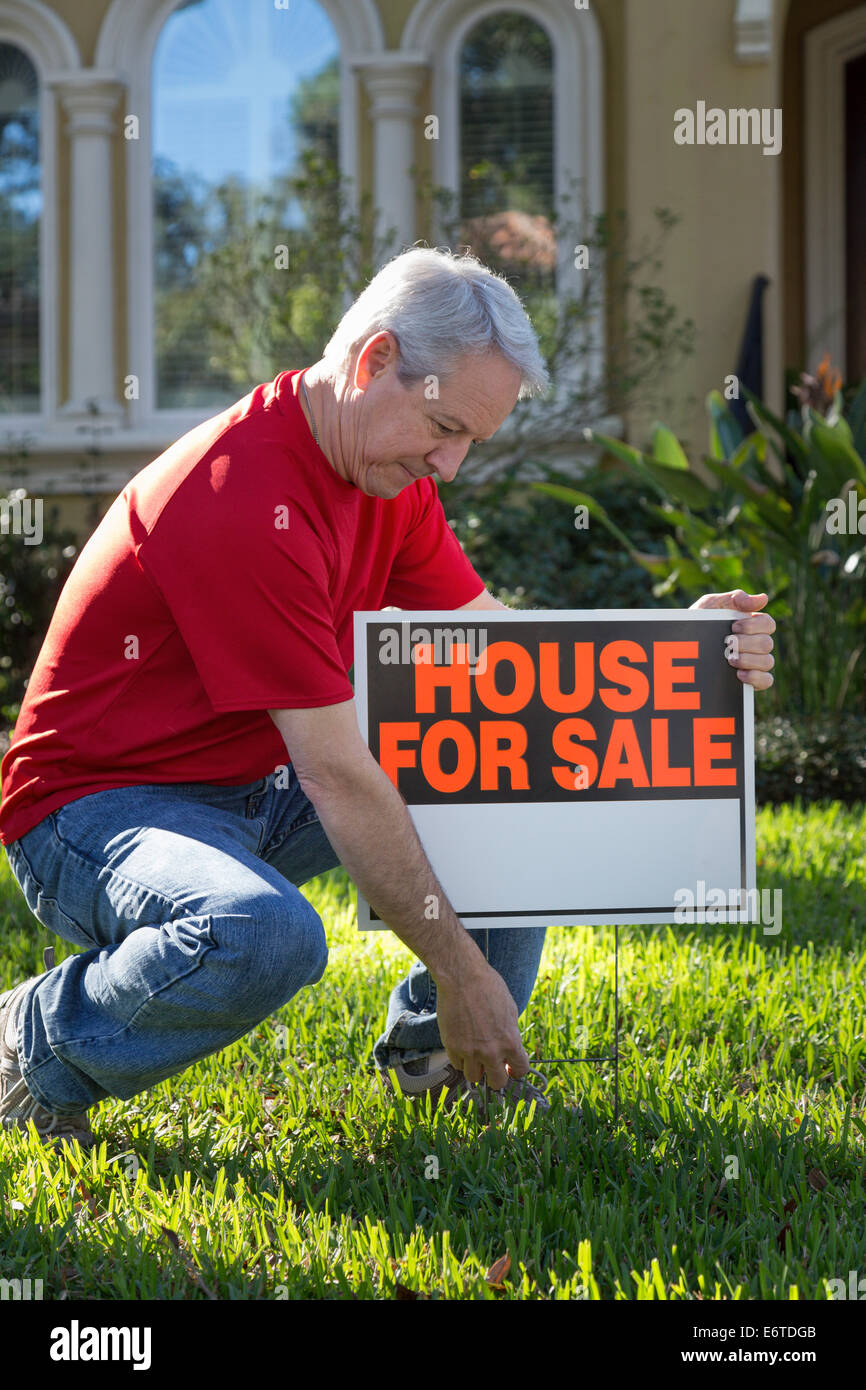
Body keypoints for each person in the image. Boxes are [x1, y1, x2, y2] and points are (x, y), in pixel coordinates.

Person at [0, 247, 776, 1149]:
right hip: (91, 812)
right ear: (373, 363)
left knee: (512, 764)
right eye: (443, 427)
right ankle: (32, 1048)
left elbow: (506, 662)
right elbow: (337, 774)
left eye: (469, 443)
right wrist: (461, 971)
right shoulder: (239, 498)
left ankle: (438, 1063)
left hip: (260, 784)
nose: (449, 468)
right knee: (263, 936)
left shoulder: (383, 474)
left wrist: (678, 648)